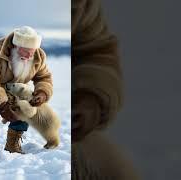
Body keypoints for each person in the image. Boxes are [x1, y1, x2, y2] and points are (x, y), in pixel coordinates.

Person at [73, 0, 140, 179]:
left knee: (118, 172)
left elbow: (94, 50)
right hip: (2, 120)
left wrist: (89, 97)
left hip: (59, 127)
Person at [0, 26, 53, 162]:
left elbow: (44, 77)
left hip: (15, 86)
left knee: (24, 109)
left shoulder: (38, 56)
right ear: (16, 45)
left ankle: (12, 145)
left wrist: (42, 93)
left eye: (32, 52)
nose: (29, 56)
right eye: (25, 51)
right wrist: (2, 107)